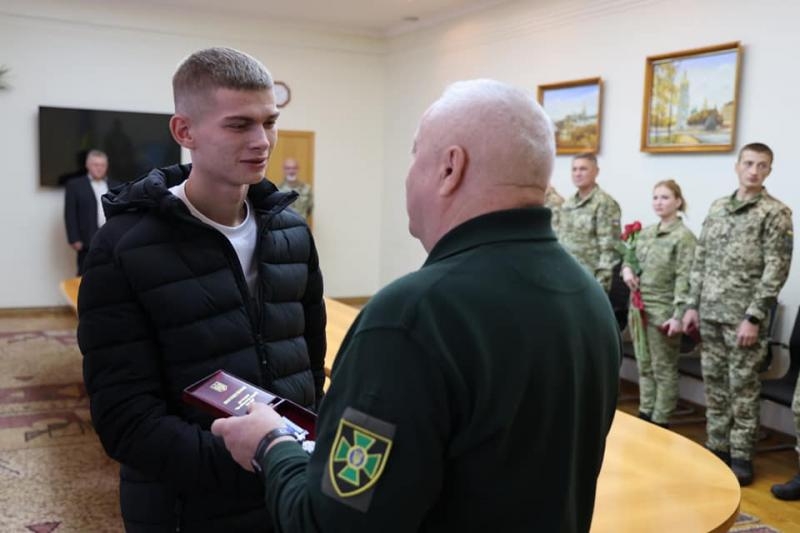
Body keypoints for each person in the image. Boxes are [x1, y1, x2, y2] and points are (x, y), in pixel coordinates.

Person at [211, 79, 621, 532]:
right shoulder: (587, 296)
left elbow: (331, 525)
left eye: (415, 155)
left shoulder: (412, 318)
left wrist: (271, 445)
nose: (408, 174)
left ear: (450, 168)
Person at [77, 47, 326, 532]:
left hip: (288, 493)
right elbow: (126, 420)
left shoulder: (292, 233)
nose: (263, 141)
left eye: (269, 122)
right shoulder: (123, 247)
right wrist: (256, 456)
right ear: (184, 132)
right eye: (239, 125)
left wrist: (285, 462)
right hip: (183, 509)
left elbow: (309, 372)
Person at [682, 142, 793, 486]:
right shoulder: (718, 208)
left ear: (769, 171)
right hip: (711, 313)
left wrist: (756, 317)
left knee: (742, 389)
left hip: (744, 319)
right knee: (715, 387)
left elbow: (777, 269)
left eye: (762, 166)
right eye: (748, 163)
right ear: (737, 166)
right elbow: (700, 260)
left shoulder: (775, 213)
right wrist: (691, 305)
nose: (754, 171)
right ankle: (717, 448)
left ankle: (742, 456)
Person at [621, 180, 696, 427]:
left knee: (663, 368)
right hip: (639, 308)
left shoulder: (683, 237)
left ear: (677, 201)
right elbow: (631, 260)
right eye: (655, 197)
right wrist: (627, 270)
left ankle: (660, 420)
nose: (659, 202)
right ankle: (645, 413)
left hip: (663, 311)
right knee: (644, 365)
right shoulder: (647, 233)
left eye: (665, 197)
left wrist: (678, 315)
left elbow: (686, 278)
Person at [558, 152, 622, 292]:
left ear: (596, 172)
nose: (577, 173)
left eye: (583, 169)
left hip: (590, 282)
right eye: (574, 169)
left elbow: (609, 250)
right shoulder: (568, 204)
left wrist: (600, 289)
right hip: (566, 278)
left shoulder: (604, 204)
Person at [63, 149, 116, 274]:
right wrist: (74, 239)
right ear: (87, 165)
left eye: (102, 165)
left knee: (111, 275)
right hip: (87, 241)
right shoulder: (75, 185)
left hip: (111, 240)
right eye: (95, 165)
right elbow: (70, 213)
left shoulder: (115, 185)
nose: (99, 168)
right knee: (86, 275)